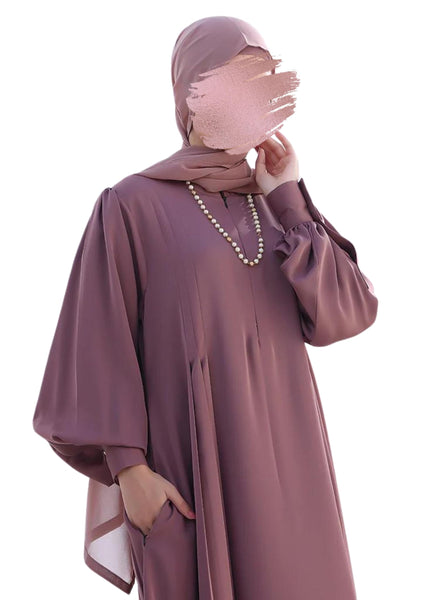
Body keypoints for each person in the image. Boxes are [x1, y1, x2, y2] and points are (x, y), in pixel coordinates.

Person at [32, 15, 378, 600]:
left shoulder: (278, 207)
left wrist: (289, 197)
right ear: (189, 94)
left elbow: (348, 311)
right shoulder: (132, 204)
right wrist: (130, 471)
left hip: (294, 471)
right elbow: (97, 342)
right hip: (195, 472)